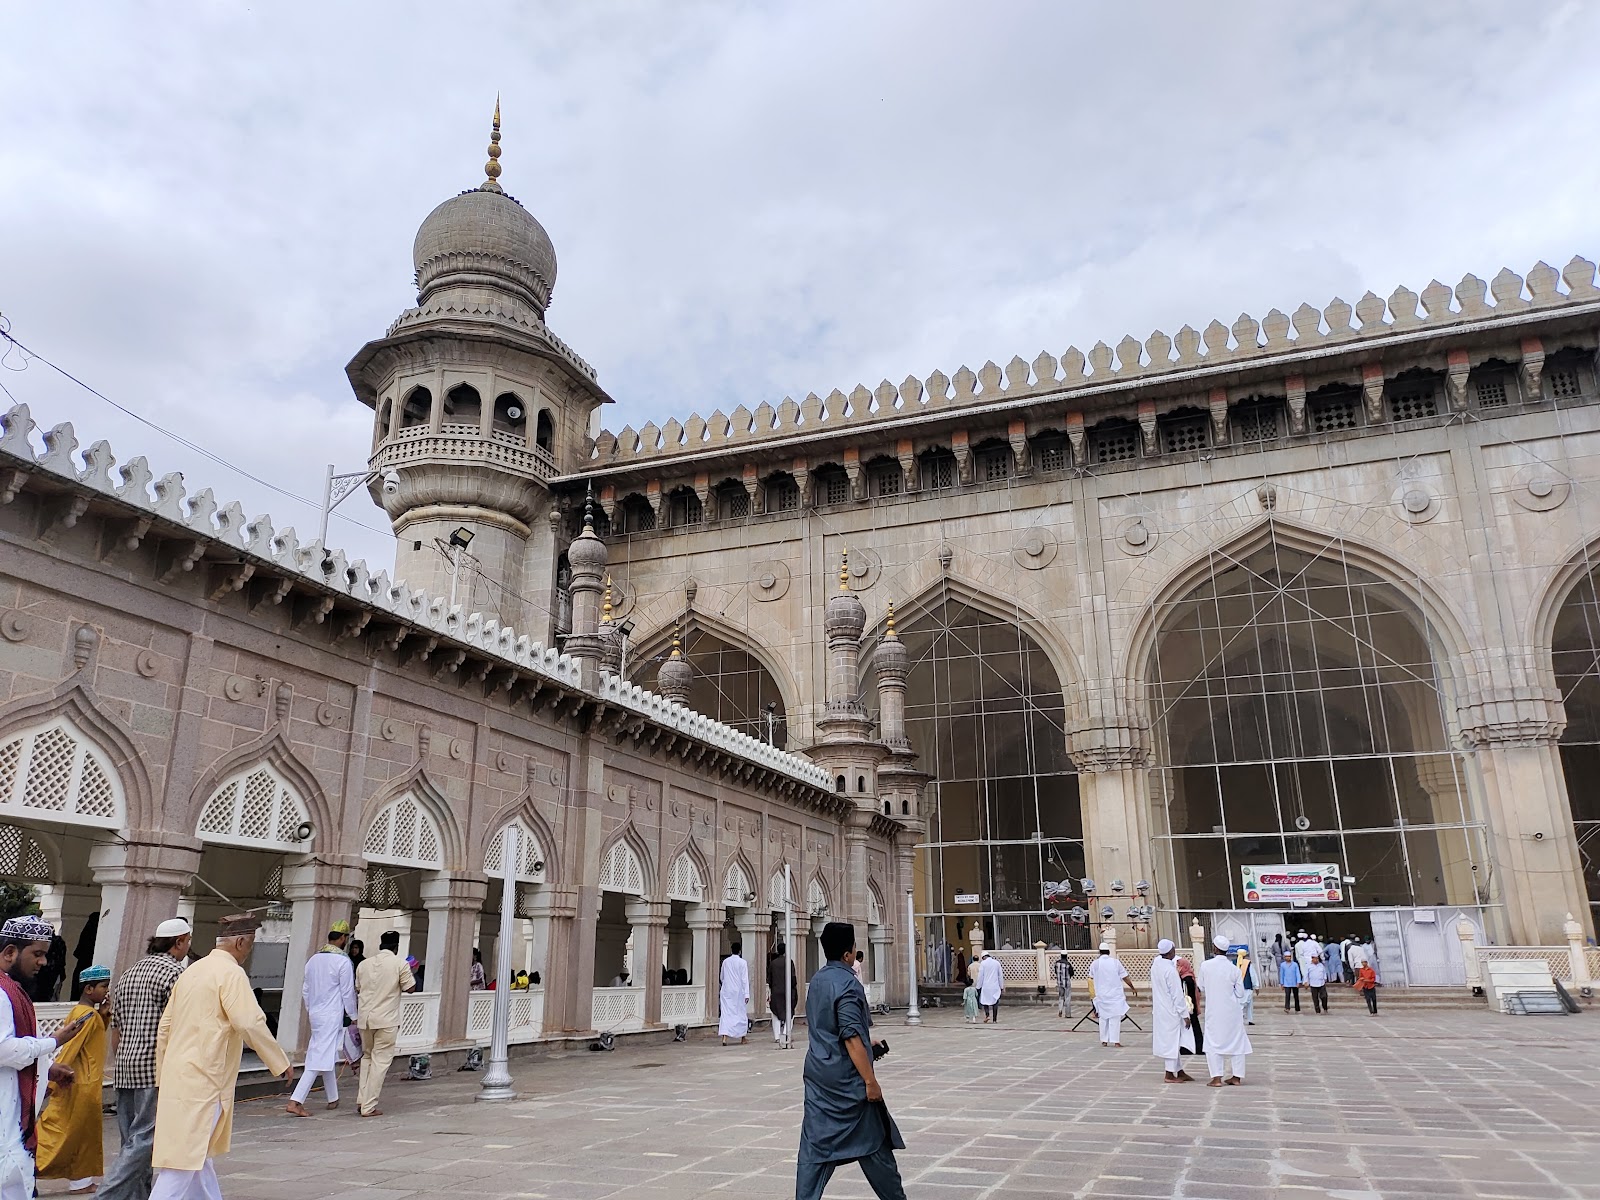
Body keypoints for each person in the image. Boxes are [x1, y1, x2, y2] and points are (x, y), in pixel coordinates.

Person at [150, 913, 292, 1199]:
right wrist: (279, 1061)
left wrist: (162, 1073)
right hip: (205, 1079)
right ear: (240, 942)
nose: (248, 952)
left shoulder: (192, 970)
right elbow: (248, 1021)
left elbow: (164, 1028)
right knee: (182, 1163)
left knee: (197, 1156)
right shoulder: (230, 973)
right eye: (249, 945)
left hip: (179, 1078)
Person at [795, 921, 906, 1200]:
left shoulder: (818, 980)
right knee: (874, 1144)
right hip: (848, 1084)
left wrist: (867, 1041)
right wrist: (870, 1081)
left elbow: (828, 1026)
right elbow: (850, 1038)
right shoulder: (848, 983)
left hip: (820, 1079)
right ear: (848, 954)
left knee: (815, 1149)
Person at [0, 916, 92, 1200]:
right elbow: (3, 1049)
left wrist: (49, 1067)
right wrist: (54, 1041)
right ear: (9, 953)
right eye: (37, 954)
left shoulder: (14, 992)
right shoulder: (2, 994)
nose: (42, 962)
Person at [100, 917, 191, 1200]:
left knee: (132, 1142)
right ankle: (106, 1195)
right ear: (178, 942)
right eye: (187, 941)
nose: (188, 947)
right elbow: (180, 1026)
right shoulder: (176, 974)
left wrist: (119, 1062)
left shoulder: (128, 973)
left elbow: (117, 1029)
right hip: (155, 1068)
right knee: (145, 1141)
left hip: (126, 1066)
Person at [37, 964, 112, 1193]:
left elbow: (92, 1040)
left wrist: (104, 1016)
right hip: (79, 1084)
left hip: (86, 1083)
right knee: (61, 1132)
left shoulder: (88, 1014)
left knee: (82, 1134)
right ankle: (27, 1168)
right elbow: (70, 1049)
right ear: (88, 989)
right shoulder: (85, 1015)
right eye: (102, 987)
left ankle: (81, 1181)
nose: (106, 991)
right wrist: (52, 1081)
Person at [286, 919, 358, 1117]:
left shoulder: (313, 960)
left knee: (324, 1053)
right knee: (318, 1057)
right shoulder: (343, 961)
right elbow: (347, 992)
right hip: (331, 1013)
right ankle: (296, 1100)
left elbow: (306, 990)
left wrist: (311, 1009)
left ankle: (333, 1098)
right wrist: (353, 1015)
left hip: (316, 1013)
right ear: (343, 938)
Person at [354, 931, 415, 1119]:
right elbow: (410, 988)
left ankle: (361, 1100)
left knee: (367, 1058)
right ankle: (369, 1106)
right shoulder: (400, 964)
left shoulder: (363, 965)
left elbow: (358, 987)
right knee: (380, 1062)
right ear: (396, 947)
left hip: (365, 1019)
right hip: (386, 1020)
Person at [1196, 935, 1251, 1087]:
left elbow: (1201, 986)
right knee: (1237, 1042)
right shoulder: (1234, 969)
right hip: (1232, 1012)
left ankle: (1216, 1078)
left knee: (1213, 1043)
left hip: (1215, 1010)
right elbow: (1240, 993)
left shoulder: (1205, 966)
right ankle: (1237, 1077)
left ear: (1214, 948)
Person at [1149, 940, 1194, 1083]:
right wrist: (1185, 1014)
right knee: (1171, 1041)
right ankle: (1169, 1074)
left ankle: (1179, 1071)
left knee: (1174, 1040)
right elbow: (1177, 994)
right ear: (1170, 952)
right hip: (1171, 1010)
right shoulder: (1169, 970)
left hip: (1161, 1009)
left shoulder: (1156, 966)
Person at [1088, 943, 1137, 1047]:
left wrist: (1093, 993)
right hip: (1115, 995)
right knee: (1115, 1018)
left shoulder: (1095, 964)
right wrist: (1132, 987)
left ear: (1100, 952)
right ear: (1109, 952)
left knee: (1103, 1018)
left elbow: (1091, 978)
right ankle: (1116, 1041)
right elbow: (1125, 977)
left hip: (1101, 995)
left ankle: (1104, 1040)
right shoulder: (1116, 963)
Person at [718, 943, 750, 1046]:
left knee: (726, 1014)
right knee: (740, 1013)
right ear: (740, 951)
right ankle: (743, 1037)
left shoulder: (725, 962)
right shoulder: (742, 962)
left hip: (726, 990)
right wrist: (747, 994)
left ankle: (724, 1037)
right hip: (738, 991)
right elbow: (745, 979)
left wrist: (727, 984)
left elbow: (722, 977)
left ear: (731, 950)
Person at [768, 942, 799, 1046]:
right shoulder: (789, 962)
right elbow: (793, 979)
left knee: (775, 1013)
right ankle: (786, 1032)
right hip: (788, 991)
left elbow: (770, 979)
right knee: (789, 1012)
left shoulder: (773, 963)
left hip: (776, 991)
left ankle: (777, 1036)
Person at [1174, 953, 1202, 1054]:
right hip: (1190, 1005)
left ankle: (1191, 1047)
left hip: (1188, 1006)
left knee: (1190, 1025)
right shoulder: (1187, 976)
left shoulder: (1186, 978)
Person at [976, 951, 1003, 1024]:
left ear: (983, 957)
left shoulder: (983, 964)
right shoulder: (996, 963)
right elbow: (1000, 976)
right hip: (995, 986)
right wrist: (1001, 986)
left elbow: (980, 976)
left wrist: (978, 986)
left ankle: (987, 1015)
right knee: (995, 1002)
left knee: (985, 1001)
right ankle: (994, 1019)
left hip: (986, 986)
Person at [1236, 948, 1256, 1026]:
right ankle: (1249, 1019)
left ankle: (1243, 1019)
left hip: (1238, 987)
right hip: (1247, 986)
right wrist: (1256, 986)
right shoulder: (1248, 963)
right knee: (1248, 1004)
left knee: (1240, 1004)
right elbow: (1253, 975)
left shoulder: (1234, 962)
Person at [1052, 953, 1073, 1018]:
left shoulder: (1057, 963)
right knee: (1067, 997)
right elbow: (1072, 973)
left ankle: (1060, 1010)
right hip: (1067, 983)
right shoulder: (1068, 964)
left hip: (1059, 982)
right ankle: (1067, 1014)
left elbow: (1055, 971)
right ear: (1066, 956)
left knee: (1061, 997)